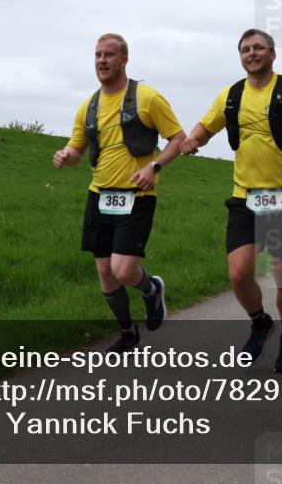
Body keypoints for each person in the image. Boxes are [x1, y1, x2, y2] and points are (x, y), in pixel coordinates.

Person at [180, 29, 282, 373]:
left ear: (273, 54)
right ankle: (260, 324)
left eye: (258, 48)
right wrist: (192, 140)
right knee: (239, 273)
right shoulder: (231, 95)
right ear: (240, 56)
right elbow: (205, 127)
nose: (251, 53)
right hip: (246, 197)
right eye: (245, 49)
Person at [53, 33, 185, 354]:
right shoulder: (89, 105)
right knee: (104, 272)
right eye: (97, 55)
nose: (101, 61)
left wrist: (153, 168)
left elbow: (178, 139)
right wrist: (66, 156)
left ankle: (152, 290)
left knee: (123, 270)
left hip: (136, 197)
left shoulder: (148, 98)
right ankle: (128, 333)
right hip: (99, 195)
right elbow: (76, 149)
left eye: (109, 55)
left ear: (124, 60)